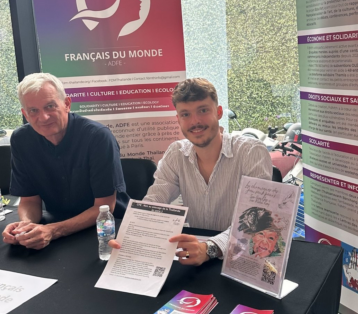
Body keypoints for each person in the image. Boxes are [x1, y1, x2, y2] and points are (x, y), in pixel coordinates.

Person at [110, 78, 272, 265]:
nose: (195, 121)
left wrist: (209, 248)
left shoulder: (251, 152)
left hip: (241, 257)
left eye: (203, 110)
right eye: (186, 114)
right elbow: (154, 202)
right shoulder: (176, 153)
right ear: (178, 119)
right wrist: (130, 235)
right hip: (197, 254)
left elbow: (256, 220)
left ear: (219, 112)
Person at [2, 73, 129, 250]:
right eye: (33, 111)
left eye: (50, 106)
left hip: (106, 230)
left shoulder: (97, 137)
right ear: (25, 114)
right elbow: (29, 200)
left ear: (67, 104)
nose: (43, 117)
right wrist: (26, 226)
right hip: (55, 225)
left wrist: (53, 231)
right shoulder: (21, 140)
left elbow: (104, 206)